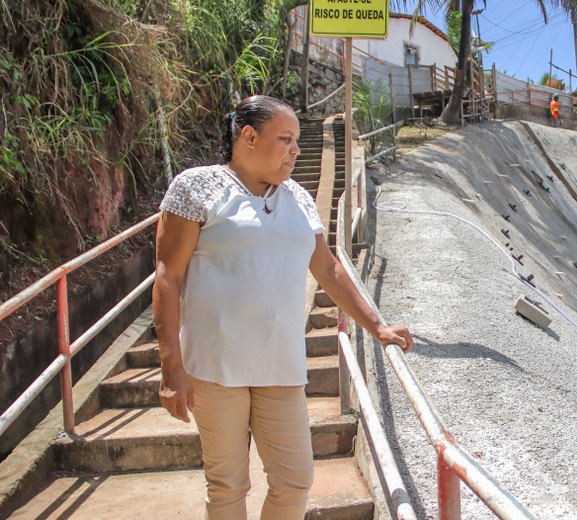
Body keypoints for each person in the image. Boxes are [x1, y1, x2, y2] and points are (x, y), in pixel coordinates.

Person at [153, 95, 413, 520]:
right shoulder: (196, 187)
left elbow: (329, 269)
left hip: (279, 363)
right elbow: (168, 276)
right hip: (215, 365)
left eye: (297, 141)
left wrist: (376, 325)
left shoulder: (297, 196)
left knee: (294, 481)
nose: (296, 150)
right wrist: (171, 368)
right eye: (287, 140)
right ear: (249, 137)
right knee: (227, 486)